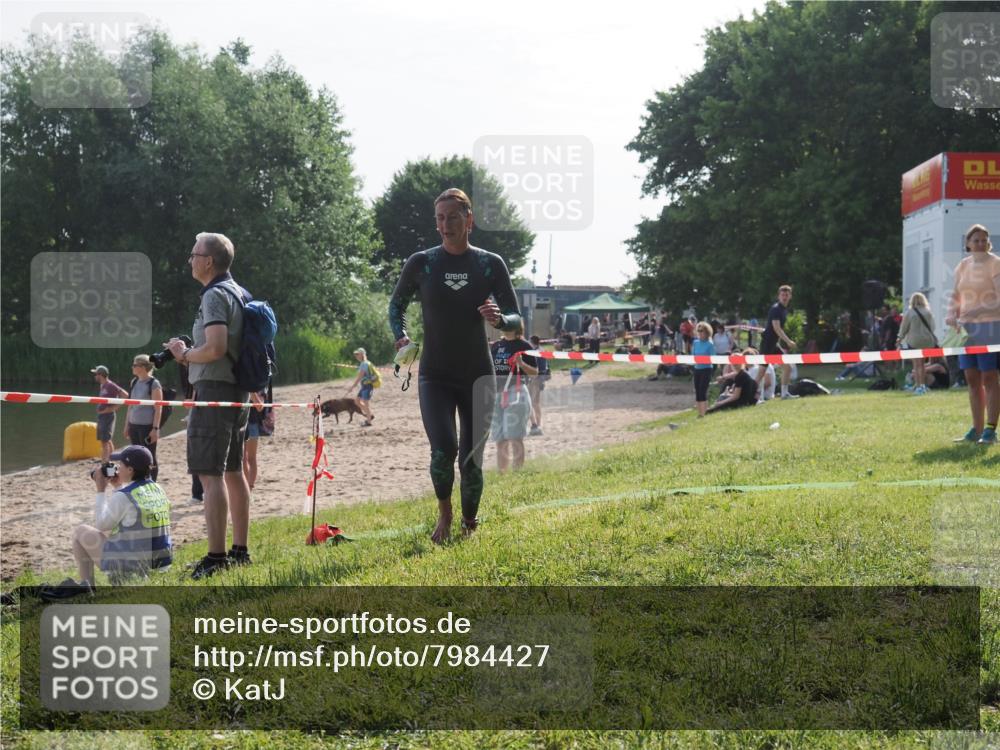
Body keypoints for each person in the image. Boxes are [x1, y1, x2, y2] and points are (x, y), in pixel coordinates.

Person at [388, 188, 521, 543]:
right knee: (442, 450)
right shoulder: (422, 262)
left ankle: (470, 524)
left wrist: (501, 320)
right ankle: (445, 516)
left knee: (471, 459)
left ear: (469, 220)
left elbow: (516, 320)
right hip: (435, 374)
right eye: (440, 218)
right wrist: (400, 335)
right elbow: (396, 305)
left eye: (452, 217)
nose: (445, 225)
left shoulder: (489, 264)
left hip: (478, 374)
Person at [165, 232, 252, 578]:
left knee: (210, 473)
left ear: (208, 261)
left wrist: (183, 355)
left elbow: (215, 347)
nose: (190, 260)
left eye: (193, 253)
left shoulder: (215, 295)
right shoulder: (239, 292)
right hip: (237, 389)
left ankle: (216, 558)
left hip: (215, 388)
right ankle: (239, 551)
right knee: (233, 469)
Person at [42, 445, 172, 600]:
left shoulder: (125, 496)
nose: (118, 468)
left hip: (133, 576)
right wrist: (117, 486)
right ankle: (87, 586)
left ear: (130, 470)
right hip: (160, 569)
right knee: (118, 529)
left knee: (80, 531)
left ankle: (87, 586)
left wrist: (101, 489)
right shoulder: (158, 489)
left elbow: (101, 525)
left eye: (121, 465)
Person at [946, 223, 1000, 444]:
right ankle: (976, 429)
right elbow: (955, 295)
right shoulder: (962, 265)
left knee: (989, 377)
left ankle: (990, 429)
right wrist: (951, 315)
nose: (980, 243)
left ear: (988, 242)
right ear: (967, 244)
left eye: (984, 239)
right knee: (971, 377)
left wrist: (980, 309)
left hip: (990, 325)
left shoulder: (995, 263)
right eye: (975, 240)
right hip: (966, 328)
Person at [490, 322, 538, 470]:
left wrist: (521, 364)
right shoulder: (497, 345)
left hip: (516, 392)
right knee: (500, 439)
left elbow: (535, 372)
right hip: (496, 395)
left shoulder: (524, 345)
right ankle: (502, 474)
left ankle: (517, 474)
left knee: (515, 437)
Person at [125, 354, 163, 480]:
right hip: (134, 425)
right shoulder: (134, 381)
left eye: (135, 365)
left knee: (149, 456)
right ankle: (139, 481)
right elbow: (130, 405)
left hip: (147, 426)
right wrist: (127, 425)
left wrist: (155, 429)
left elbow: (158, 408)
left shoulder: (154, 383)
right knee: (136, 455)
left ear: (142, 367)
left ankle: (152, 483)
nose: (132, 367)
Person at [758, 285, 798, 399]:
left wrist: (779, 343)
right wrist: (788, 341)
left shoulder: (783, 310)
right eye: (782, 295)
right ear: (779, 296)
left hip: (773, 345)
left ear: (790, 296)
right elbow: (777, 328)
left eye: (787, 295)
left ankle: (784, 394)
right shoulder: (776, 309)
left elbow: (775, 331)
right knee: (761, 373)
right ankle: (753, 396)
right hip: (767, 345)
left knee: (788, 367)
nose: (784, 297)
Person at [898, 292, 937, 396]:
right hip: (927, 341)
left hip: (914, 341)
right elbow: (933, 327)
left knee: (916, 364)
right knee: (923, 365)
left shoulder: (910, 312)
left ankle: (919, 386)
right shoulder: (928, 312)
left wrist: (899, 338)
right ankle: (921, 385)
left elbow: (904, 328)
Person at [91, 365, 128, 462]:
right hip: (102, 416)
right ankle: (111, 458)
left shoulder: (110, 385)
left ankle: (105, 461)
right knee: (107, 439)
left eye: (96, 374)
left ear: (101, 375)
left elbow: (125, 395)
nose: (94, 376)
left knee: (105, 441)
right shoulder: (103, 385)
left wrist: (113, 408)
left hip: (107, 416)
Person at [707, 349, 759, 413]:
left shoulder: (740, 376)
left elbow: (736, 396)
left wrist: (721, 403)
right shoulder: (742, 374)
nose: (734, 363)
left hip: (740, 403)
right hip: (744, 402)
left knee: (710, 411)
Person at [243, 383, 274, 491]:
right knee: (244, 458)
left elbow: (260, 404)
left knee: (249, 458)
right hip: (244, 421)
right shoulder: (258, 381)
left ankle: (249, 486)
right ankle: (247, 486)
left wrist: (252, 395)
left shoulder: (260, 383)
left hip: (251, 422)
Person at [345, 347, 376, 427]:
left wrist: (352, 387)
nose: (356, 356)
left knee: (365, 403)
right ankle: (369, 415)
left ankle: (369, 421)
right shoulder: (364, 363)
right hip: (364, 386)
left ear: (362, 354)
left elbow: (360, 377)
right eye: (356, 355)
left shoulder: (364, 364)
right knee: (357, 401)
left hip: (367, 386)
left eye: (357, 354)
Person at [527, 334, 549, 436]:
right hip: (531, 380)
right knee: (531, 403)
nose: (528, 343)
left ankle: (538, 425)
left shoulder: (539, 352)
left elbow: (542, 368)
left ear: (533, 342)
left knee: (535, 403)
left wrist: (540, 380)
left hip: (536, 380)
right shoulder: (534, 351)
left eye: (529, 341)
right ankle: (535, 424)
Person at [692, 321, 715, 417]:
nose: (700, 333)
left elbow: (713, 358)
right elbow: (693, 355)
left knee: (702, 390)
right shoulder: (695, 342)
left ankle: (703, 413)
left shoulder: (710, 344)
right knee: (697, 390)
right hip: (697, 369)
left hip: (706, 369)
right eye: (699, 331)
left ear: (707, 332)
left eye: (702, 331)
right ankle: (700, 413)